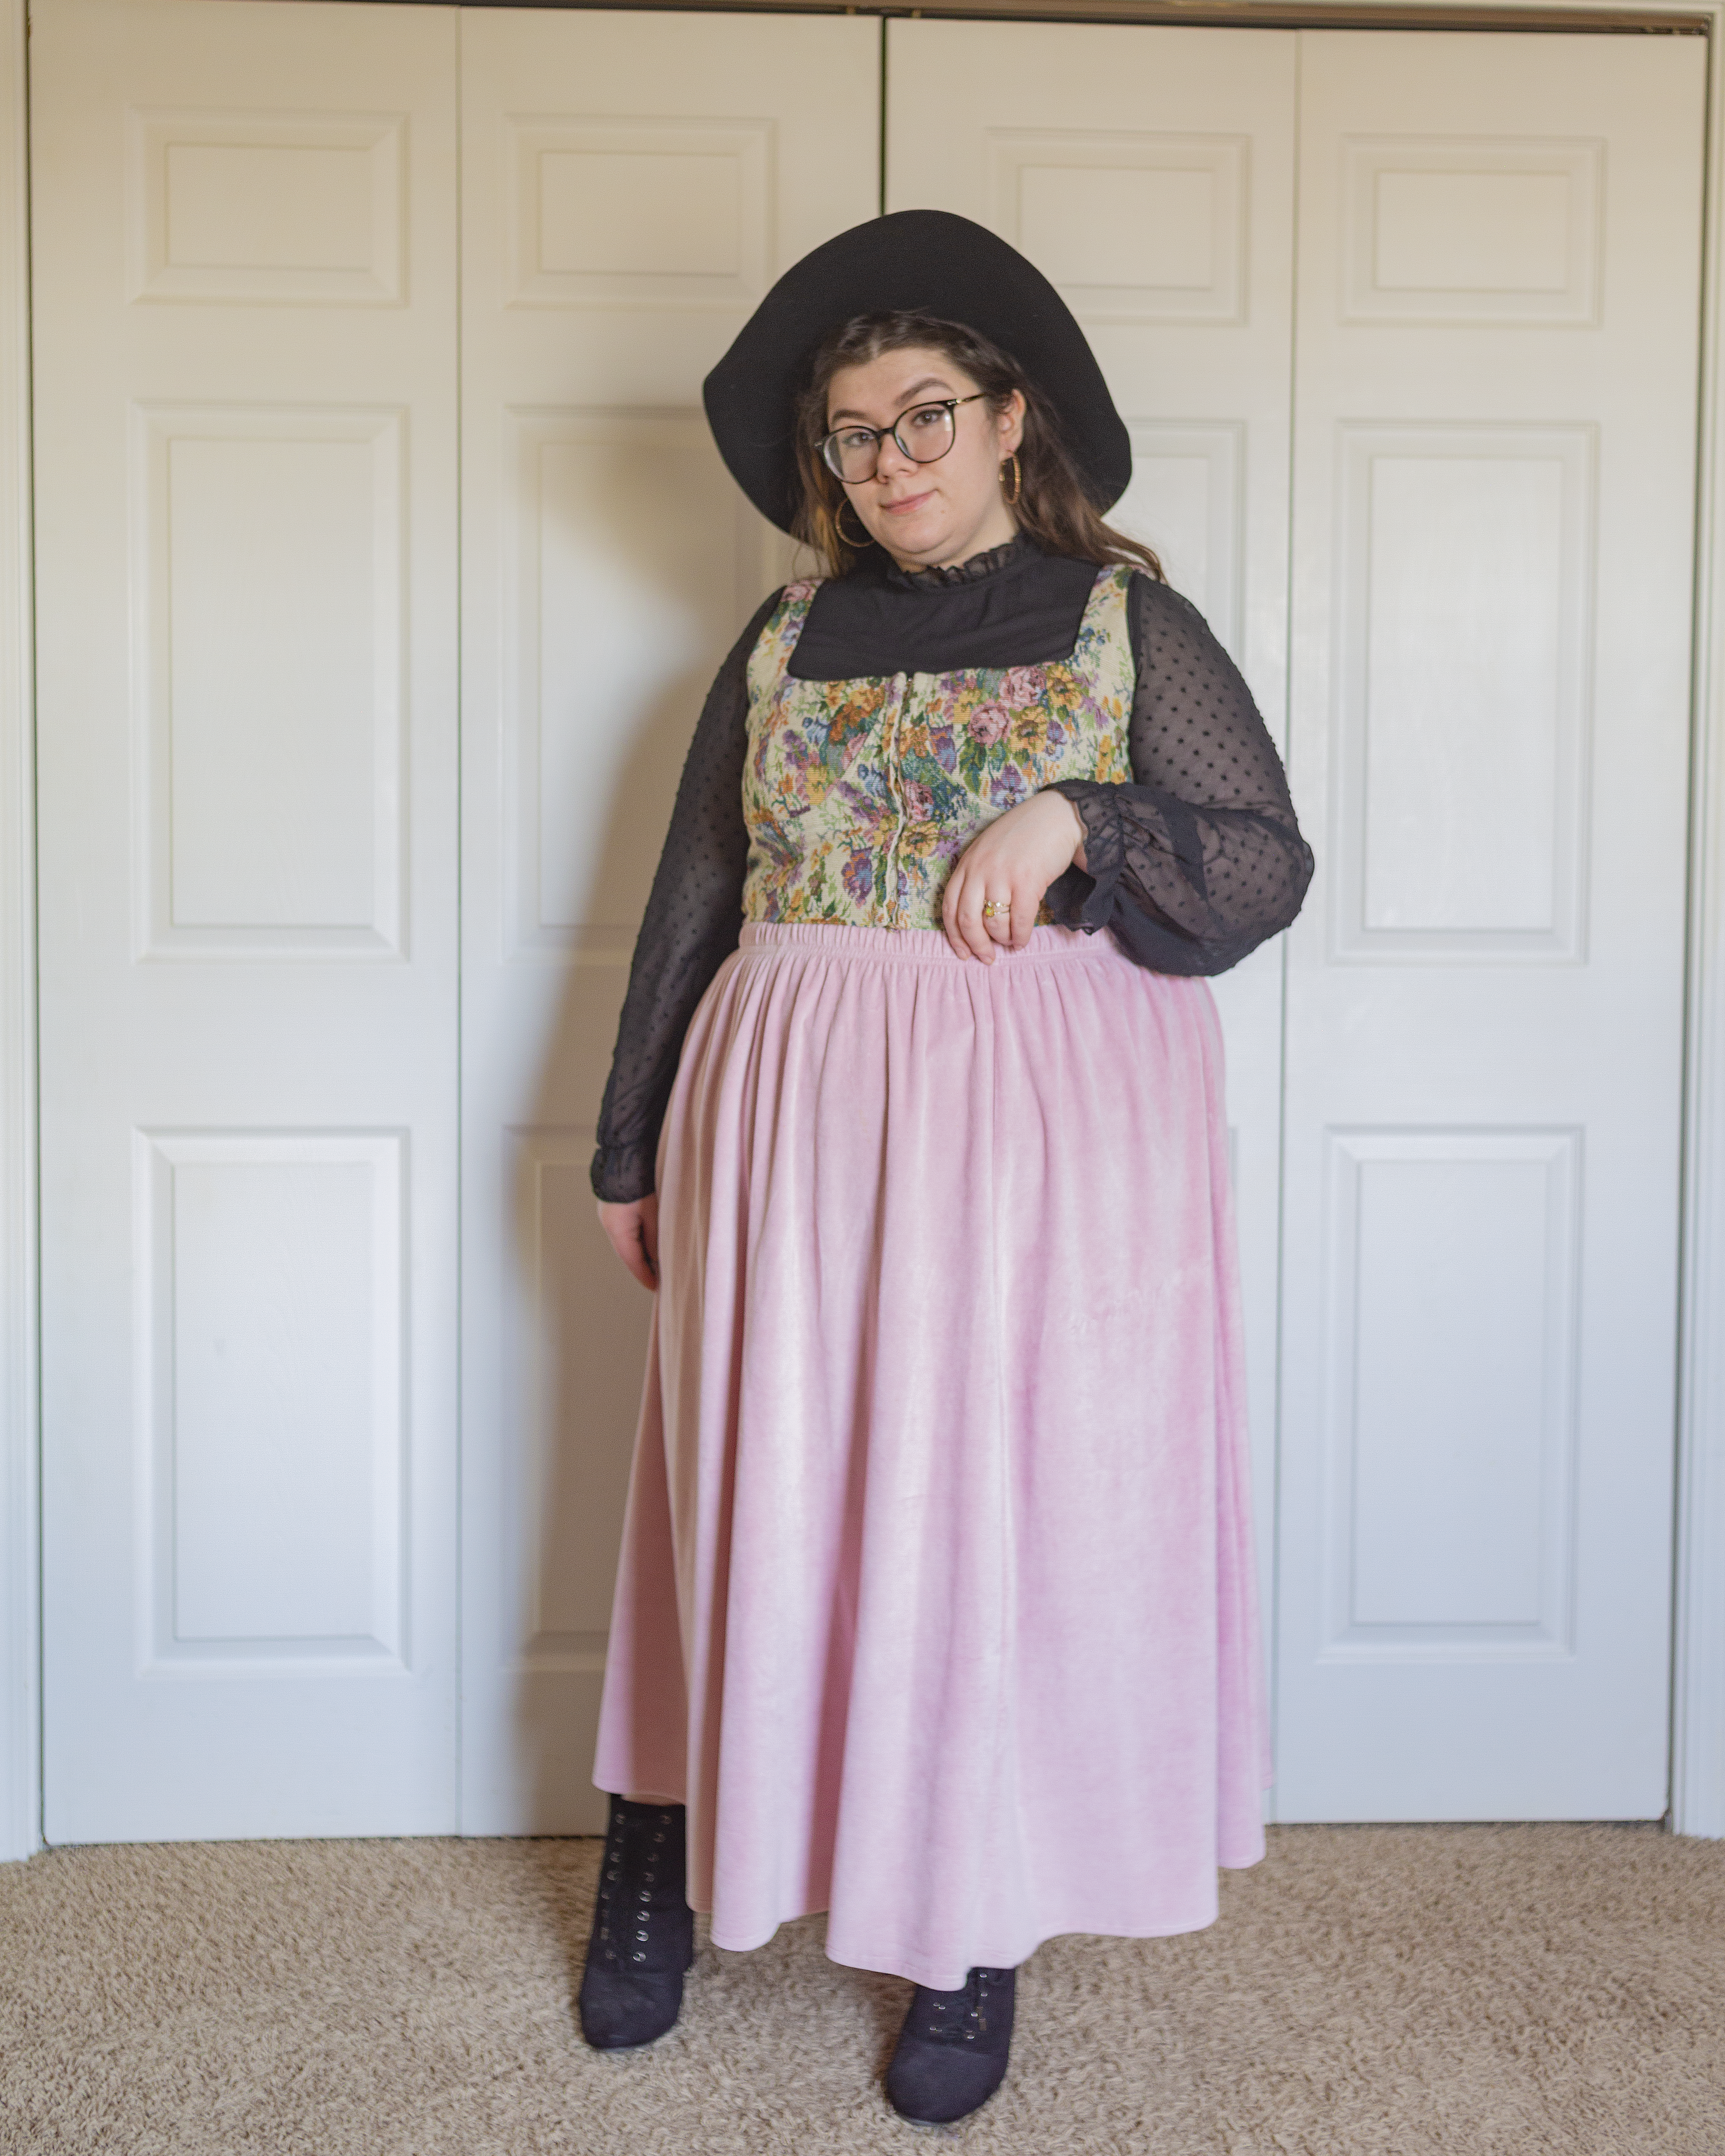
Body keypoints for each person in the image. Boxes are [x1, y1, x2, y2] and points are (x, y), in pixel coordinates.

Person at [578, 210, 1312, 2127]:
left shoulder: (1126, 620)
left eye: (925, 417)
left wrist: (1083, 813)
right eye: (852, 432)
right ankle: (655, 1844)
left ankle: (969, 1923)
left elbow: (1260, 865)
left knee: (997, 1511)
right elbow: (694, 898)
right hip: (797, 1119)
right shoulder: (784, 638)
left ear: (1010, 421)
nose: (889, 460)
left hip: (1049, 1148)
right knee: (748, 1475)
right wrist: (626, 1138)